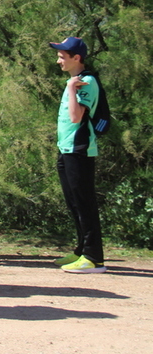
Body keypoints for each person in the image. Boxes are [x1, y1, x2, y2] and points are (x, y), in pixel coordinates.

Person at [49, 37, 106, 273]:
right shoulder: (74, 81)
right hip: (67, 149)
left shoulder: (87, 82)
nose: (58, 60)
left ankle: (94, 258)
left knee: (84, 203)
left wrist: (71, 89)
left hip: (80, 150)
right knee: (74, 203)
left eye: (63, 56)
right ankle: (81, 250)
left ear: (76, 58)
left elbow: (76, 117)